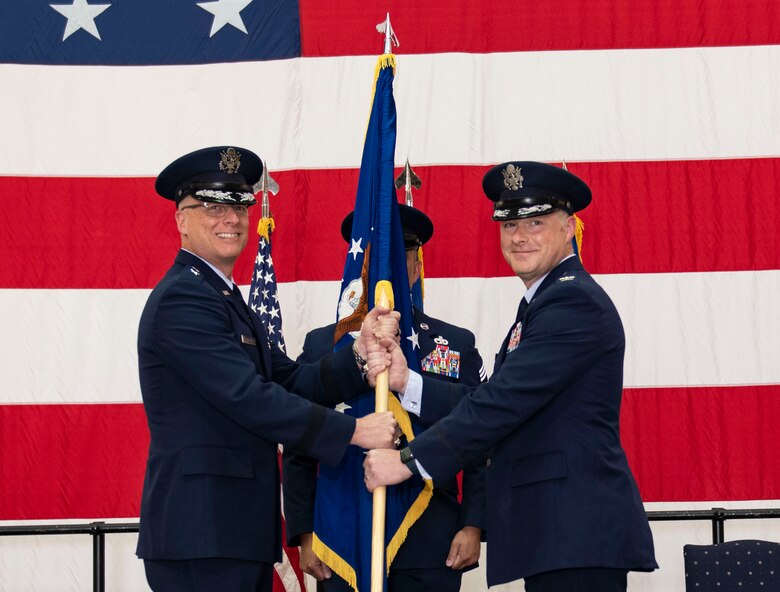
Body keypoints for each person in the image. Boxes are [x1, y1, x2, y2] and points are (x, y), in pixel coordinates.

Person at [363, 161, 658, 592]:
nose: (519, 237)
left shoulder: (572, 303)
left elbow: (502, 403)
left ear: (569, 227)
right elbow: (499, 397)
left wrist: (409, 461)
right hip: (558, 535)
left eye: (535, 222)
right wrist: (410, 383)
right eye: (509, 224)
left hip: (575, 534)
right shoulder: (547, 301)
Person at [136, 146, 398, 592]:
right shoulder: (183, 299)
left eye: (239, 205)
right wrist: (352, 432)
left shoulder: (225, 298)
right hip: (201, 535)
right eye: (213, 207)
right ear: (181, 219)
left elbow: (291, 379)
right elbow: (248, 398)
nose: (232, 219)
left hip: (233, 533)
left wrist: (360, 354)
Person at [283, 204, 487, 592]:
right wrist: (306, 535)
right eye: (377, 260)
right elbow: (299, 443)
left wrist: (473, 522)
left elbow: (480, 436)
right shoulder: (324, 345)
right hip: (340, 534)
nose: (388, 270)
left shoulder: (454, 344)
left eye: (400, 257)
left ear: (415, 266)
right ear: (359, 267)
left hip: (431, 537)